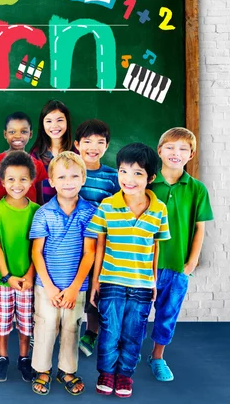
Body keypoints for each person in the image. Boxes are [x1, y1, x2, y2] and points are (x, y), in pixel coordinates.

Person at [88, 143, 170, 398]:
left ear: (151, 178)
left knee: (134, 333)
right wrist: (95, 282)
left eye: (137, 173)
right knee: (110, 331)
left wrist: (154, 282)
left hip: (142, 284)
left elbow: (156, 248)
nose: (128, 179)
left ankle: (124, 375)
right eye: (123, 171)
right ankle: (106, 373)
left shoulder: (159, 210)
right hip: (111, 280)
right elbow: (99, 245)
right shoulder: (107, 206)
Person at [148, 128, 213, 382]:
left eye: (183, 149)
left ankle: (157, 356)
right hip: (143, 265)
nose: (176, 153)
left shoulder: (196, 188)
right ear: (160, 150)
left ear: (191, 154)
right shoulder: (147, 183)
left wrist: (192, 261)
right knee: (139, 314)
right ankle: (131, 354)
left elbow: (199, 226)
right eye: (171, 147)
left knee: (167, 314)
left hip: (177, 266)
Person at [29, 152, 96, 396]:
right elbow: (37, 253)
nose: (68, 181)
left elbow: (90, 253)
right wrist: (49, 286)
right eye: (62, 176)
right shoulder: (43, 213)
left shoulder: (91, 212)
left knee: (71, 327)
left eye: (74, 176)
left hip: (75, 287)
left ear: (83, 178)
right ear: (52, 181)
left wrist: (74, 287)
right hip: (45, 285)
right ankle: (42, 369)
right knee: (45, 326)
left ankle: (67, 370)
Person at [0, 151, 40, 384]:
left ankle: (23, 358)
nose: (17, 184)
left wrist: (29, 276)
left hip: (28, 279)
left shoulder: (37, 211)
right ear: (1, 181)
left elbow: (38, 249)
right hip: (3, 279)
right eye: (11, 179)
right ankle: (2, 357)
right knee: (2, 320)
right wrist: (7, 275)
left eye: (23, 179)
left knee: (26, 321)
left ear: (31, 180)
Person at [73, 119, 120, 357]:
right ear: (76, 144)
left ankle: (91, 332)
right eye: (87, 141)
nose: (93, 147)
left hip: (101, 244)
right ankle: (68, 329)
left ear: (107, 145)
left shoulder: (113, 177)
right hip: (72, 244)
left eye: (100, 142)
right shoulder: (70, 172)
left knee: (96, 289)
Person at [0, 112, 48, 205]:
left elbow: (40, 200)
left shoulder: (37, 165)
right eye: (12, 132)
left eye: (23, 131)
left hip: (30, 218)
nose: (18, 136)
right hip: (1, 217)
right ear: (5, 134)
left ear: (30, 134)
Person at [30, 100, 73, 204]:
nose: (54, 126)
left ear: (67, 121)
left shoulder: (76, 153)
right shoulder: (35, 155)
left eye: (60, 120)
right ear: (43, 124)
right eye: (49, 121)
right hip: (43, 213)